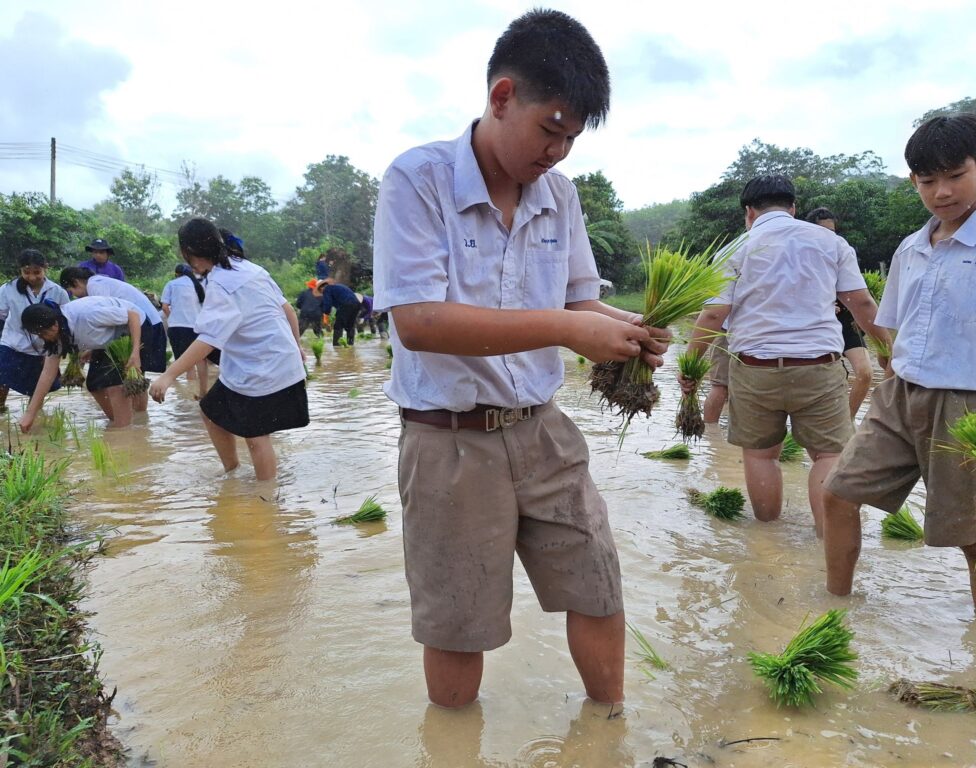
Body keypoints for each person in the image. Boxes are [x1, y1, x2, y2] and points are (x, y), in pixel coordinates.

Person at [373, 9, 667, 709]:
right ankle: (452, 746)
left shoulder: (558, 196)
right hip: (450, 442)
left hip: (543, 430)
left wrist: (631, 327)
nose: (558, 153)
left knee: (598, 585)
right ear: (503, 97)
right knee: (457, 623)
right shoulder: (417, 181)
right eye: (550, 130)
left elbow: (579, 301)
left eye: (571, 139)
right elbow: (420, 322)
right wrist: (568, 330)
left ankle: (609, 729)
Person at [823, 114, 976, 615]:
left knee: (975, 534)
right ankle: (835, 609)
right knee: (838, 493)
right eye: (927, 180)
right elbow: (895, 329)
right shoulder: (911, 248)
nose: (942, 192)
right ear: (913, 180)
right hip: (900, 393)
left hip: (972, 406)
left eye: (955, 176)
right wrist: (883, 385)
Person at [681, 175, 890, 537]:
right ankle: (828, 544)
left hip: (754, 369)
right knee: (828, 456)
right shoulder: (831, 242)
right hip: (818, 368)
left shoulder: (735, 249)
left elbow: (713, 315)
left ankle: (767, 539)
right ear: (793, 207)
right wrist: (887, 353)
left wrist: (691, 365)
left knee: (762, 455)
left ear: (749, 212)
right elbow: (862, 303)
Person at [150, 218, 308, 482]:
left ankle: (266, 498)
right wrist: (296, 346)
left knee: (256, 436)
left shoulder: (222, 283)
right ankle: (232, 473)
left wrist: (168, 376)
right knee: (212, 411)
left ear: (188, 254)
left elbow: (208, 340)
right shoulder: (249, 268)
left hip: (263, 367)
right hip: (267, 361)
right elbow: (287, 309)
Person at [20, 297, 144, 430]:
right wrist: (30, 414)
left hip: (136, 328)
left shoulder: (88, 315)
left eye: (43, 333)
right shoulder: (56, 336)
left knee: (115, 385)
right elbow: (47, 373)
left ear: (55, 325)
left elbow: (133, 316)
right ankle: (121, 423)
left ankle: (125, 431)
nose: (41, 337)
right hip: (107, 340)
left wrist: (135, 352)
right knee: (95, 385)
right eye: (37, 334)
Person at [59, 267, 167, 412]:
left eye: (72, 292)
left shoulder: (95, 287)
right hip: (140, 324)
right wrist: (92, 348)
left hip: (144, 324)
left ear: (76, 283)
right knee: (132, 376)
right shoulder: (99, 282)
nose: (76, 297)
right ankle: (139, 422)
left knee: (134, 375)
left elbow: (112, 313)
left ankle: (138, 419)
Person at [806, 207, 874, 419]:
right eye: (823, 231)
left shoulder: (841, 250)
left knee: (865, 373)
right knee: (826, 379)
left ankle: (848, 421)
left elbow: (858, 294)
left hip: (845, 319)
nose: (829, 236)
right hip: (817, 324)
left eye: (832, 231)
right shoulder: (800, 255)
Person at [0, 249, 71, 412]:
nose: (32, 277)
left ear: (45, 268)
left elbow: (66, 319)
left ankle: (33, 417)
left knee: (38, 385)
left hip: (43, 347)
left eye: (37, 272)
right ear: (20, 270)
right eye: (26, 272)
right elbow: (1, 317)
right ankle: (1, 413)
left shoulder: (57, 292)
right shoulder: (7, 289)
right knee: (1, 377)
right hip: (12, 342)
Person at [161, 263, 210, 397]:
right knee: (199, 359)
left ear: (177, 274)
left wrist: (172, 319)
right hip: (196, 326)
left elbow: (165, 307)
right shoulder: (199, 285)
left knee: (184, 361)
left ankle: (186, 395)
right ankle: (201, 391)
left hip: (177, 327)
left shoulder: (171, 284)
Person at [319, 279, 360, 346]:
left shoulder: (327, 289)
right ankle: (350, 344)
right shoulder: (338, 287)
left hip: (346, 304)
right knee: (350, 326)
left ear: (322, 287)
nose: (322, 293)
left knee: (338, 326)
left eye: (321, 291)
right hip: (357, 304)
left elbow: (327, 304)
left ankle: (337, 346)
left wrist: (326, 313)